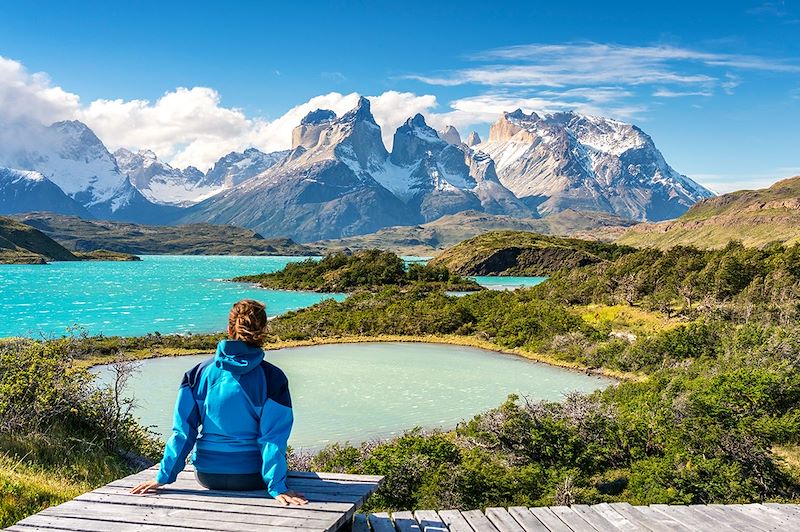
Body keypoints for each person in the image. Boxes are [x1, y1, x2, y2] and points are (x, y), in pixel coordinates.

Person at [130, 299, 307, 506]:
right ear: (263, 330)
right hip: (252, 476)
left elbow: (183, 433)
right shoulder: (273, 378)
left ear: (229, 328)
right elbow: (272, 439)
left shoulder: (197, 374)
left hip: (207, 475)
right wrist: (277, 487)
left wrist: (163, 477)